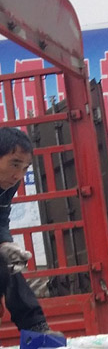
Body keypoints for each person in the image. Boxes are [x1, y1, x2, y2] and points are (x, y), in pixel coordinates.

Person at [0, 127, 49, 332]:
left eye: (25, 168)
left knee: (9, 264)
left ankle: (36, 329)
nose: (18, 175)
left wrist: (6, 244)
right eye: (14, 164)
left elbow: (1, 217)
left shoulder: (9, 183)